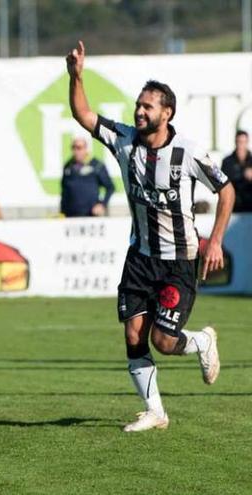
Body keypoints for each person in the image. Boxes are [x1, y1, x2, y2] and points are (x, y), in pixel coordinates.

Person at [67, 41, 234, 432]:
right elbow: (83, 114)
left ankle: (201, 343)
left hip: (179, 260)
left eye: (148, 107)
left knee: (163, 339)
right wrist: (76, 76)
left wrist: (218, 239)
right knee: (133, 332)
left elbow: (226, 190)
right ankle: (155, 411)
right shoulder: (125, 141)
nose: (139, 112)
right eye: (138, 105)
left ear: (167, 113)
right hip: (140, 256)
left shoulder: (187, 153)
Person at [60, 137, 115, 217]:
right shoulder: (68, 166)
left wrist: (102, 204)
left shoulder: (97, 165)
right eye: (73, 148)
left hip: (90, 215)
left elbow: (110, 187)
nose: (76, 151)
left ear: (86, 149)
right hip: (71, 216)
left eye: (79, 148)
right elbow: (64, 192)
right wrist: (62, 211)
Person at [221, 130, 252, 212]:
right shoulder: (227, 162)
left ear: (247, 142)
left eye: (244, 142)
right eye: (239, 142)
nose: (241, 145)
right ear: (235, 142)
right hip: (233, 205)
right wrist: (242, 174)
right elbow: (222, 183)